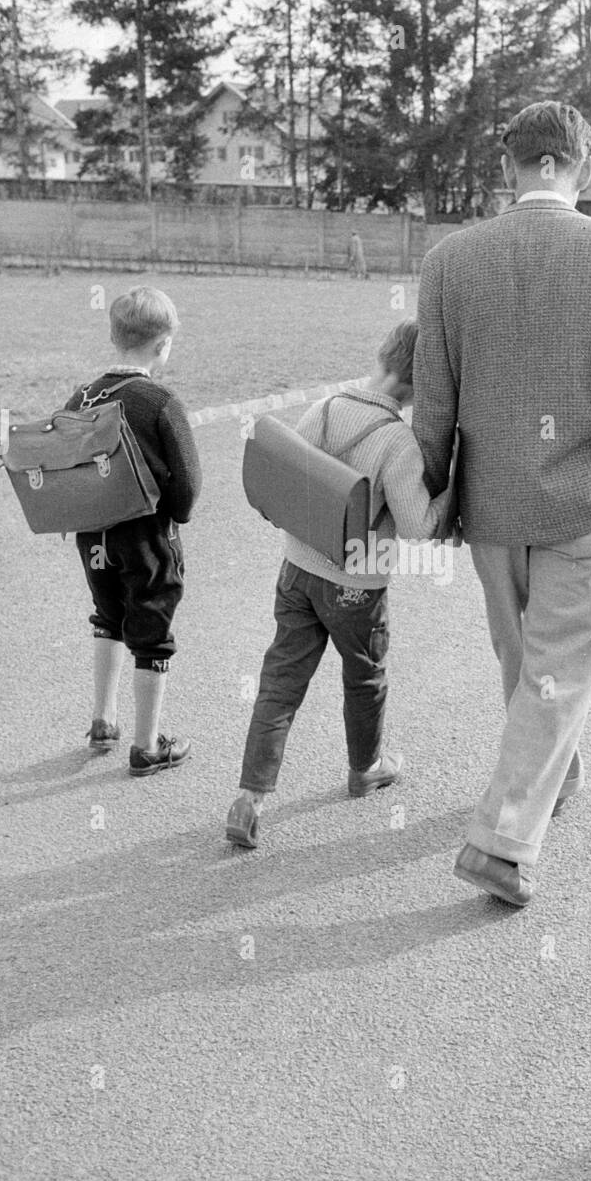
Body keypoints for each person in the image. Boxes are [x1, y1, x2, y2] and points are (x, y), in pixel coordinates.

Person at [412, 100, 591, 908]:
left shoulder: (449, 261)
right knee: (556, 662)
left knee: (526, 657)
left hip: (491, 505)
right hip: (584, 501)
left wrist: (435, 489)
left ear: (508, 167)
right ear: (582, 166)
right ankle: (501, 842)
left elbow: (432, 402)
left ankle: (549, 776)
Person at [226, 320, 450, 849]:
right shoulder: (398, 441)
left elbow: (288, 479)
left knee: (280, 682)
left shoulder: (324, 408)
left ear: (383, 354)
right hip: (357, 585)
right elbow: (417, 526)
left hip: (298, 570)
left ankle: (249, 797)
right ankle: (366, 766)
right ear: (427, 387)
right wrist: (449, 496)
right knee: (364, 677)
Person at [63, 286, 202, 774]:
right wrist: (178, 515)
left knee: (107, 614)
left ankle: (103, 719)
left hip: (93, 535)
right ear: (163, 344)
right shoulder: (160, 400)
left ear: (114, 335)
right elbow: (187, 482)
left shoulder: (83, 395)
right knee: (151, 627)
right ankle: (147, 746)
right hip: (146, 537)